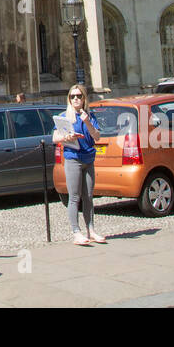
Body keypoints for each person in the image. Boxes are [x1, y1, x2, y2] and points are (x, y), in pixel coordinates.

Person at [53, 83, 106, 245]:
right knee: (74, 197)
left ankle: (91, 230)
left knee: (88, 196)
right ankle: (76, 232)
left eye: (79, 96)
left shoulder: (89, 115)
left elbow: (97, 137)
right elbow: (55, 138)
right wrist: (66, 138)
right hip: (73, 158)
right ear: (69, 99)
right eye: (72, 96)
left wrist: (87, 122)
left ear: (84, 98)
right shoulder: (64, 116)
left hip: (88, 159)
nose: (76, 99)